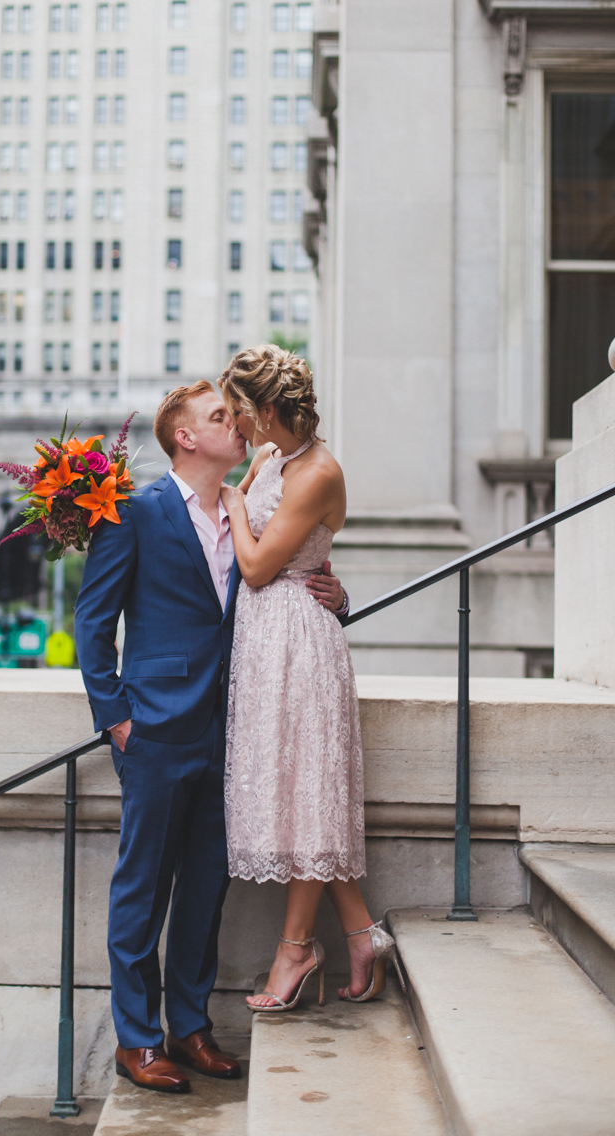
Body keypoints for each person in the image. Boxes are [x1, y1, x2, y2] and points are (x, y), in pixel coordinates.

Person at [75, 380, 350, 1092]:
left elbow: (292, 571)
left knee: (204, 890)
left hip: (233, 730)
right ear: (186, 438)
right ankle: (136, 1040)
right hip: (156, 731)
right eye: (220, 416)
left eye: (235, 412)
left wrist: (336, 593)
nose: (238, 422)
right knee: (142, 890)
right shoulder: (135, 511)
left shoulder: (251, 501)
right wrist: (116, 716)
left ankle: (191, 1028)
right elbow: (93, 622)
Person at [218, 344, 402, 1012]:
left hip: (299, 639)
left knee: (305, 793)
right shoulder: (270, 456)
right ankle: (360, 935)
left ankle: (297, 950)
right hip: (265, 643)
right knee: (297, 793)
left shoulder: (319, 470)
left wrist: (233, 506)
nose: (236, 425)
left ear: (268, 408)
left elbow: (261, 566)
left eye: (240, 411)